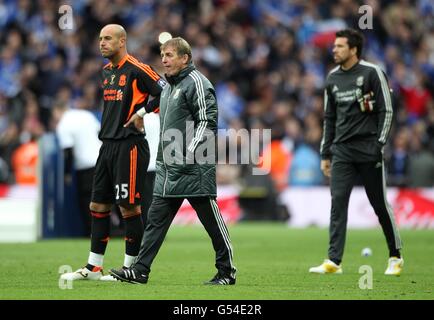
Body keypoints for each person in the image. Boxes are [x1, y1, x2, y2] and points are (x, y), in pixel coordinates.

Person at [109, 37, 237, 285]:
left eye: (169, 55)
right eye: (162, 55)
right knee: (155, 222)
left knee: (212, 223)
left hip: (193, 167)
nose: (164, 60)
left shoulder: (198, 83)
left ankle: (227, 272)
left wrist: (188, 153)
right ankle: (140, 270)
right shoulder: (169, 86)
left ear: (185, 58)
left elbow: (207, 123)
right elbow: (156, 102)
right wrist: (141, 112)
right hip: (168, 168)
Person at [61, 24, 165, 281]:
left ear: (122, 41)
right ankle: (94, 267)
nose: (102, 43)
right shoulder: (107, 71)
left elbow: (166, 92)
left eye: (108, 39)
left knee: (129, 207)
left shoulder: (138, 69)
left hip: (130, 146)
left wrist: (142, 112)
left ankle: (131, 268)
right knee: (97, 205)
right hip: (106, 147)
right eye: (100, 39)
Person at [309, 29, 403, 276]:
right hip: (341, 151)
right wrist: (325, 154)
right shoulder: (332, 79)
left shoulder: (372, 73)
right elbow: (329, 118)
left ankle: (395, 256)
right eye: (334, 46)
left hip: (368, 149)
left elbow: (387, 110)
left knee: (379, 204)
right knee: (338, 203)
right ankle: (334, 261)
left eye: (340, 46)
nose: (334, 50)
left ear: (353, 50)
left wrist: (379, 144)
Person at [53, 101, 102, 236]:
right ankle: (111, 230)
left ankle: (91, 232)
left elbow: (67, 152)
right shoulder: (86, 114)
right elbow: (101, 133)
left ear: (57, 111)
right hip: (103, 161)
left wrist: (67, 173)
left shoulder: (63, 124)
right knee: (105, 198)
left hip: (86, 167)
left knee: (87, 200)